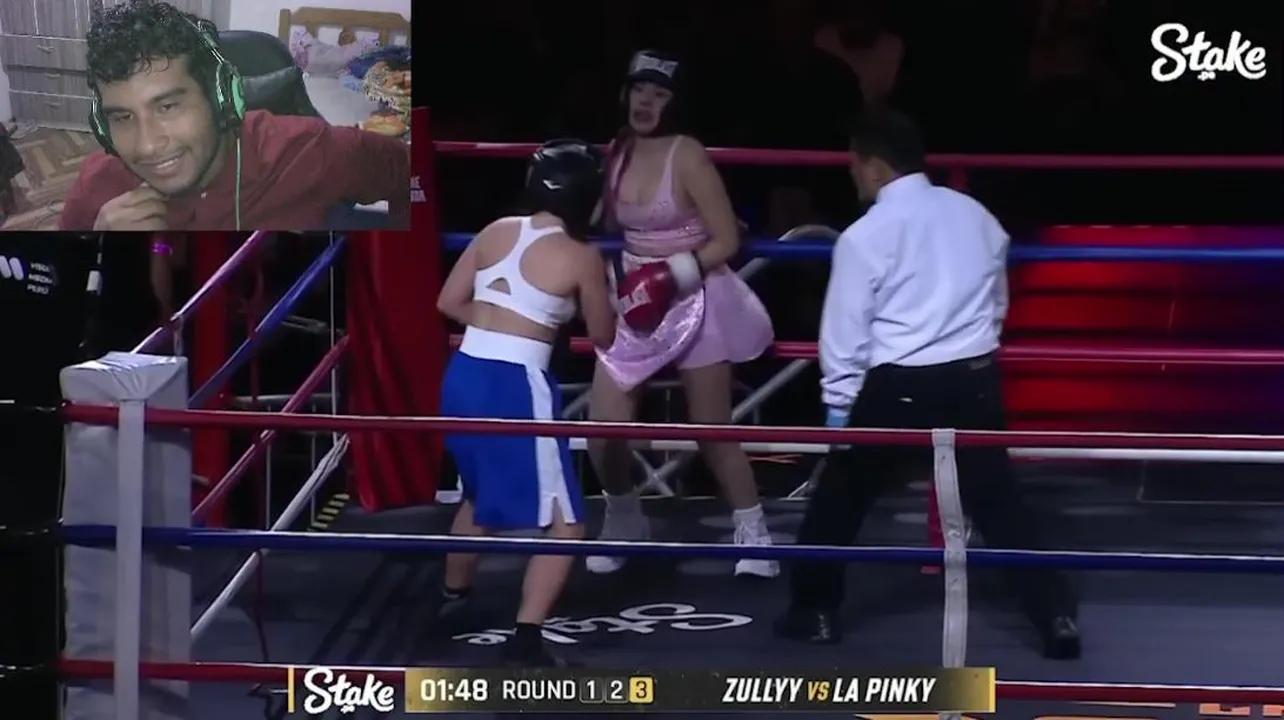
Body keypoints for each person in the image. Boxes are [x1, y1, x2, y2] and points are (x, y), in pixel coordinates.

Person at [774, 110, 1081, 660]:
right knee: (1000, 503)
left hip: (898, 383)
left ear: (874, 167)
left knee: (840, 497)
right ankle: (1055, 614)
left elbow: (844, 332)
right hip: (973, 376)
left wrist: (839, 409)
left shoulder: (865, 236)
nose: (852, 173)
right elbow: (997, 299)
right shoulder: (975, 215)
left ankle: (814, 612)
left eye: (854, 164)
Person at [585, 50, 778, 579]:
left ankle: (754, 533)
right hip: (634, 296)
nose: (646, 102)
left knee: (711, 430)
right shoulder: (618, 150)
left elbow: (727, 238)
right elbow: (606, 222)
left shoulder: (688, 155)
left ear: (676, 102)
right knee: (602, 431)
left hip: (696, 292)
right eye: (639, 90)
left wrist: (672, 275)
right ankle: (624, 518)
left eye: (659, 93)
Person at [432, 139, 615, 667]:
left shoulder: (495, 230)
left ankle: (453, 602)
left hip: (464, 374)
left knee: (478, 495)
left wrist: (503, 326)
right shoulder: (582, 256)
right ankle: (526, 638)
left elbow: (448, 302)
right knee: (568, 520)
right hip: (515, 385)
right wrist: (535, 331)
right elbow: (603, 334)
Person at [59, 0, 409, 232]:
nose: (147, 146)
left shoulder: (307, 150)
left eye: (168, 106)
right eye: (122, 117)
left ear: (221, 96)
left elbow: (412, 170)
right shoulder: (97, 191)